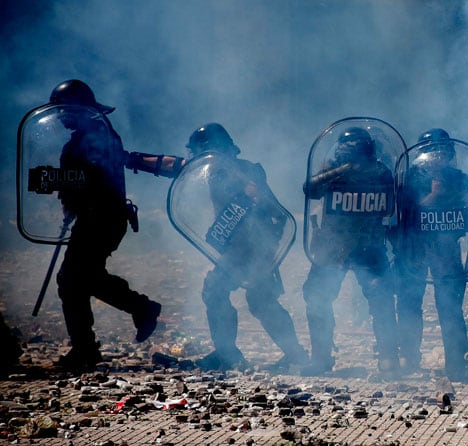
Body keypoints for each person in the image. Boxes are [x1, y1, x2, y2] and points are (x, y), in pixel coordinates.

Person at [144, 123, 309, 372]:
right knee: (256, 298)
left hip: (253, 246)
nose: (195, 158)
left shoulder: (245, 171)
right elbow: (175, 166)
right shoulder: (213, 171)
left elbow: (259, 200)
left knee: (220, 291)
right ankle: (290, 354)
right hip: (241, 248)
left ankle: (229, 354)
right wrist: (130, 159)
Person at [43, 79, 162, 371]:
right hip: (96, 217)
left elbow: (94, 178)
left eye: (65, 111)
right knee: (77, 280)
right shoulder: (90, 135)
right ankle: (87, 346)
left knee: (75, 279)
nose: (62, 117)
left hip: (103, 218)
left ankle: (136, 311)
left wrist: (53, 180)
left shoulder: (96, 136)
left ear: (78, 109)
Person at [300, 126, 400, 376]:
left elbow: (389, 209)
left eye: (352, 149)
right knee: (317, 297)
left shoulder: (380, 172)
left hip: (367, 247)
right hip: (334, 247)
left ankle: (389, 360)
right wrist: (339, 171)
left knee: (381, 299)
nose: (348, 153)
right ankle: (321, 358)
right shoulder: (334, 171)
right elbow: (309, 190)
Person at [394, 128, 468, 381]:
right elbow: (404, 212)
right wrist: (433, 196)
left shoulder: (460, 179)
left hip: (446, 249)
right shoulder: (410, 179)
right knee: (409, 302)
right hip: (415, 248)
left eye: (443, 152)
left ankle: (456, 360)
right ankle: (408, 356)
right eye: (433, 152)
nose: (438, 157)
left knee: (450, 305)